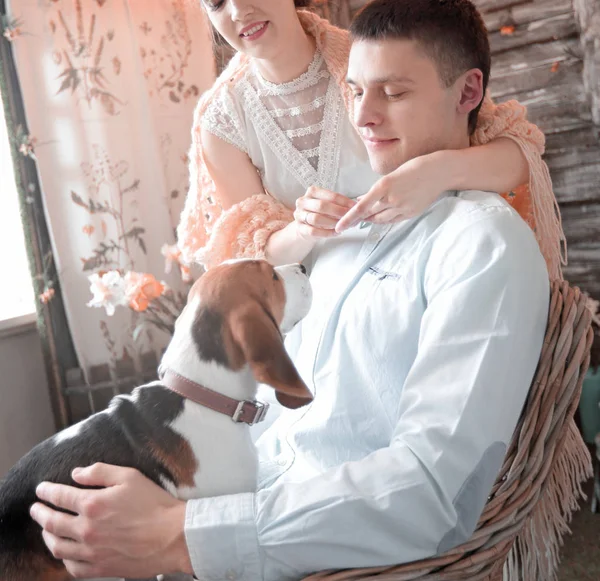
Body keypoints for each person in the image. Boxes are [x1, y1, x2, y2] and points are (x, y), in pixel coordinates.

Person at [30, 1, 563, 580]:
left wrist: (176, 535)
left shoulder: (482, 246)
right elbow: (272, 421)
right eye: (355, 91)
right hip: (244, 502)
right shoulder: (335, 241)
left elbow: (430, 486)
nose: (363, 115)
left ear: (467, 94)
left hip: (305, 546)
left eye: (395, 92)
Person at [177, 0, 563, 280]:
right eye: (216, 2)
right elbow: (250, 259)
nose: (238, 11)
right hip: (321, 320)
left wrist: (433, 172)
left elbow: (517, 155)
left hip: (435, 272)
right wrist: (301, 230)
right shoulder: (222, 122)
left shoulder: (372, 56)